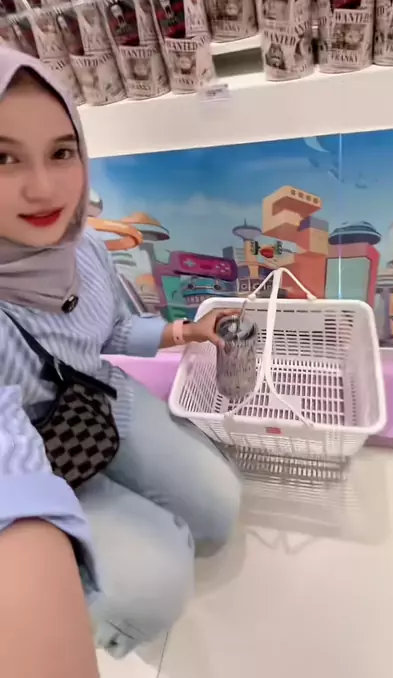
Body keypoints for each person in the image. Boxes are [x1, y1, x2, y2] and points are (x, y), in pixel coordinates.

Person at [0, 47, 241, 676]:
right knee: (151, 589)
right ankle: (99, 602)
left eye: (62, 151)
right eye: (3, 158)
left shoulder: (81, 248)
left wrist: (183, 331)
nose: (44, 188)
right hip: (41, 456)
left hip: (100, 396)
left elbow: (109, 329)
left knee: (216, 511)